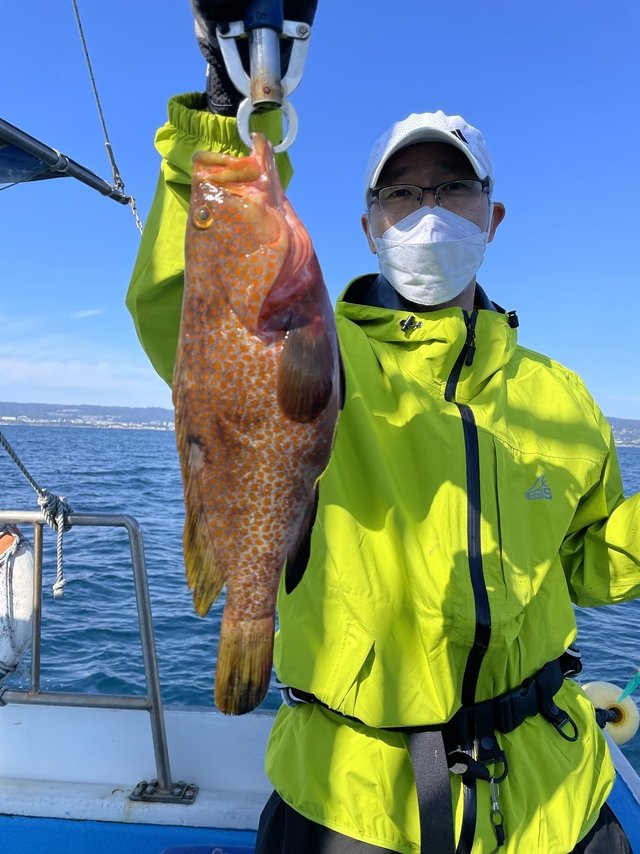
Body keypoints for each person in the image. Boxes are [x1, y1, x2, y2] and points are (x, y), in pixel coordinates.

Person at [126, 3, 640, 851]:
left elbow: (590, 568)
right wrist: (223, 115)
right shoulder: (327, 353)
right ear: (369, 226)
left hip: (558, 801)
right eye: (401, 194)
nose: (427, 208)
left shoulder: (565, 397)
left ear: (492, 217)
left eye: (452, 188)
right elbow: (191, 304)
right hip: (355, 803)